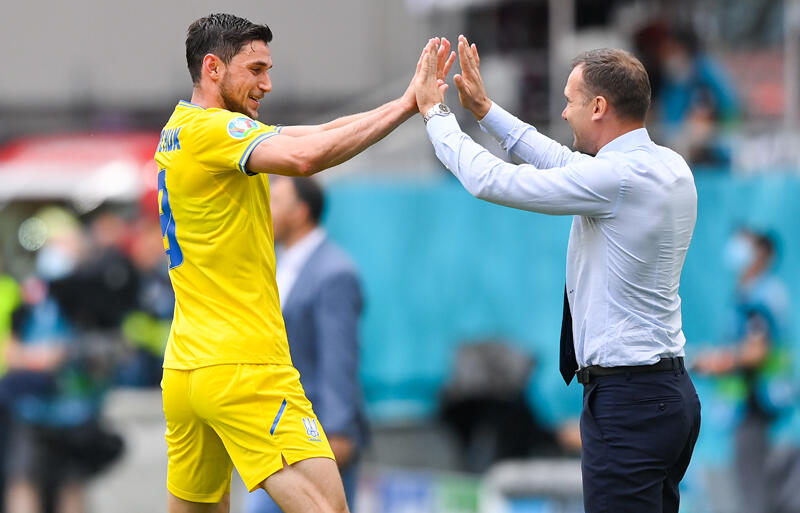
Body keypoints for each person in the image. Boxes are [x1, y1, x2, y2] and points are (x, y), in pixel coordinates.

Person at [155, 13, 452, 513]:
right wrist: (410, 106)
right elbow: (306, 158)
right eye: (255, 70)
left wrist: (406, 104)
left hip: (186, 367)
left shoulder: (179, 130)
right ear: (212, 68)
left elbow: (318, 132)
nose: (267, 84)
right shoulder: (216, 129)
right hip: (244, 365)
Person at [414, 37, 701, 512]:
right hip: (667, 394)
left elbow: (491, 180)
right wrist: (486, 112)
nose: (564, 113)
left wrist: (435, 115)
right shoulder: (669, 165)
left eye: (570, 101)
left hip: (628, 398)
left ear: (599, 107)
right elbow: (564, 162)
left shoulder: (616, 179)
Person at [244, 176, 368, 513]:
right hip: (276, 429)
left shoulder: (334, 272)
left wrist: (338, 432)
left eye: (273, 202)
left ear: (299, 213)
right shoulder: (278, 262)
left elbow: (339, 358)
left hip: (317, 435)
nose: (263, 211)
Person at [694, 228, 790, 513]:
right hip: (747, 410)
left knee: (753, 496)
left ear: (763, 254)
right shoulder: (751, 293)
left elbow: (757, 351)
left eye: (747, 244)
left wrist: (718, 361)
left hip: (755, 408)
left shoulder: (759, 296)